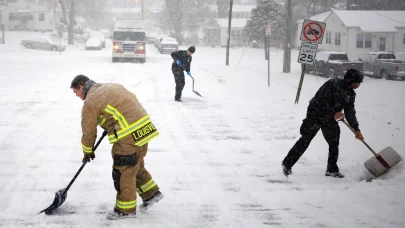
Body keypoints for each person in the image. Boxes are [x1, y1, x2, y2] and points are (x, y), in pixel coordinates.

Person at [70, 74, 163, 217]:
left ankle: (125, 211)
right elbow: (130, 102)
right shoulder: (112, 86)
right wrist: (113, 123)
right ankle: (151, 194)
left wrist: (87, 151)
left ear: (82, 87)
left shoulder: (90, 101)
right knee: (134, 165)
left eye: (76, 92)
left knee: (123, 171)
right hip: (145, 129)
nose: (76, 96)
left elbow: (88, 131)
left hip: (128, 135)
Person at [281, 69, 365, 178]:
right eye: (358, 82)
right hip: (315, 114)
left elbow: (350, 112)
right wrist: (334, 112)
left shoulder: (350, 94)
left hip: (329, 119)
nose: (359, 85)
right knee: (305, 139)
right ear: (351, 80)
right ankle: (287, 164)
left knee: (334, 142)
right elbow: (320, 101)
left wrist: (356, 129)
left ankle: (331, 169)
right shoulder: (332, 84)